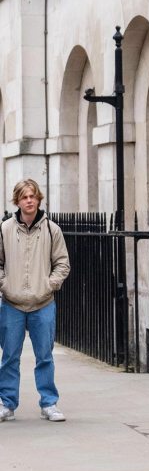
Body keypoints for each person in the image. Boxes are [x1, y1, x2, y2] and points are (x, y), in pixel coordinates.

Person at [0, 179, 70, 422]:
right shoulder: (5, 229)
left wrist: (50, 284)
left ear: (38, 199)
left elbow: (62, 263)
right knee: (9, 356)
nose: (29, 200)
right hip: (12, 304)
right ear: (17, 201)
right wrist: (5, 285)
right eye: (24, 197)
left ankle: (49, 403)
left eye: (32, 196)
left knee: (45, 356)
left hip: (43, 304)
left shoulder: (52, 229)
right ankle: (7, 403)